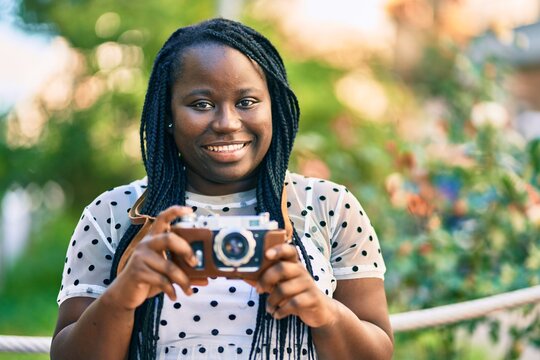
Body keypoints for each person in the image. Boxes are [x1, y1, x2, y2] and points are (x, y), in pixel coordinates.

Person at [51, 18, 394, 360]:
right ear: (167, 113)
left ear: (273, 107)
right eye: (201, 104)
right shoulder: (114, 212)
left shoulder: (329, 206)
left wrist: (324, 312)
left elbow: (378, 354)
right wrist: (121, 298)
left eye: (247, 102)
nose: (227, 123)